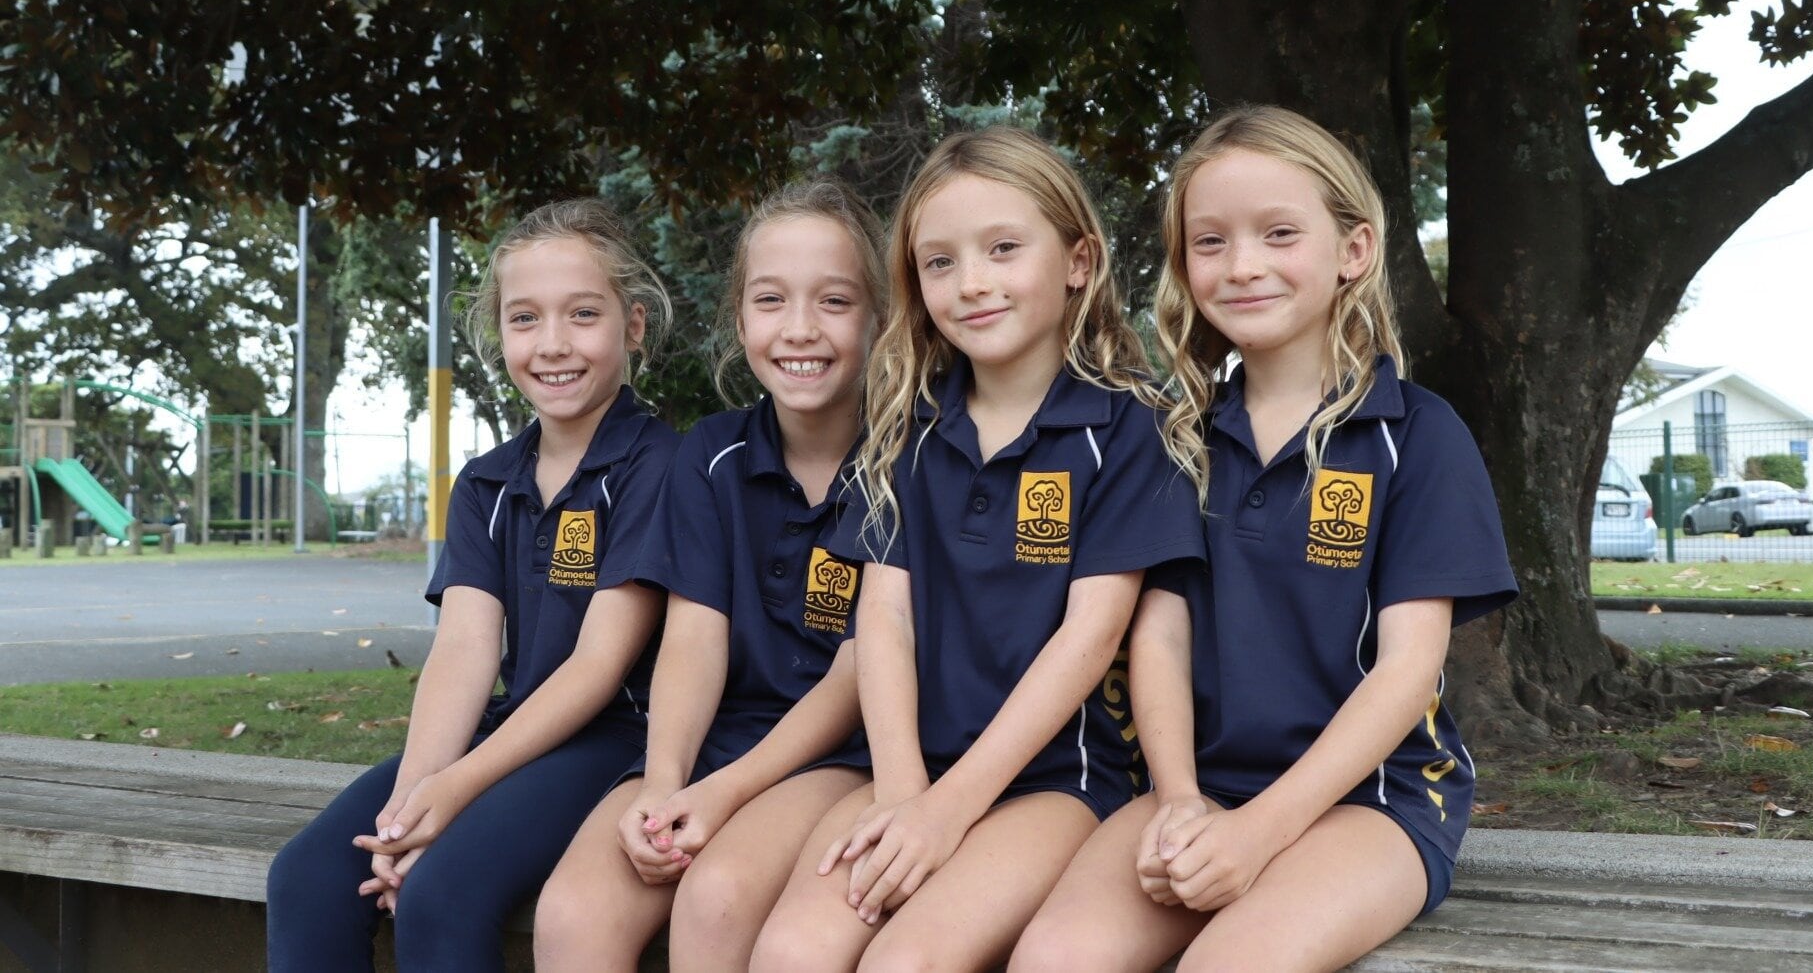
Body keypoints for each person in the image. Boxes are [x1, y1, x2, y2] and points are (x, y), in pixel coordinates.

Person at [1011, 107, 1519, 973]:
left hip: (1372, 800)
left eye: (1279, 233)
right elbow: (1159, 637)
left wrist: (1259, 833)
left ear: (1353, 249)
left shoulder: (1419, 435)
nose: (1242, 264)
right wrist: (1179, 801)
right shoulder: (1175, 437)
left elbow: (1407, 671)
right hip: (1198, 787)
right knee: (1053, 959)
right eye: (1210, 241)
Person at [751, 127, 1204, 973]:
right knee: (790, 951)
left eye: (1003, 249)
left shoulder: (1129, 426)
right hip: (910, 771)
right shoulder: (906, 423)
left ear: (1078, 260)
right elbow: (885, 619)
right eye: (941, 261)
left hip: (1057, 782)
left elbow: (1091, 635)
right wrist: (902, 792)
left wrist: (948, 809)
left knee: (906, 962)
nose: (972, 282)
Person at [266, 199, 678, 973]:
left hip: (617, 742)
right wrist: (408, 808)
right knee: (307, 878)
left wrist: (454, 792)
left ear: (633, 325)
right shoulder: (487, 483)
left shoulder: (658, 466)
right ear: (499, 334)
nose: (552, 343)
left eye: (583, 313)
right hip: (511, 733)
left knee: (443, 891)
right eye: (524, 318)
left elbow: (599, 666)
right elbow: (463, 649)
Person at [534, 180, 886, 972]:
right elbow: (693, 639)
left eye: (834, 300)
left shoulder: (909, 458)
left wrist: (722, 793)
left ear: (878, 318)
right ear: (739, 317)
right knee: (572, 913)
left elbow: (856, 677)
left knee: (716, 895)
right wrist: (662, 782)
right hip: (716, 740)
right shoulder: (713, 453)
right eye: (771, 299)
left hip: (848, 752)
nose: (800, 328)